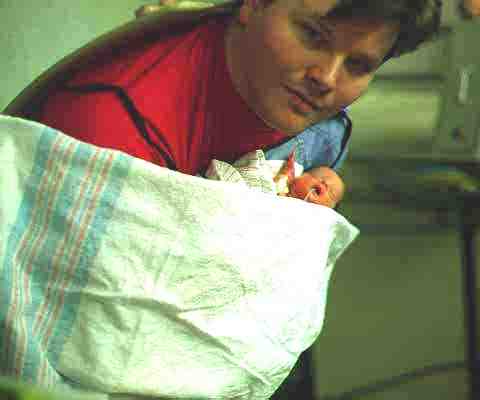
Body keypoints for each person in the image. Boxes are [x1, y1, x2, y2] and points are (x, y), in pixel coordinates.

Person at [24, 0, 442, 177]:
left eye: (358, 65)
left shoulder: (312, 118)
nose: (327, 78)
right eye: (313, 36)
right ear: (253, 4)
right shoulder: (110, 125)